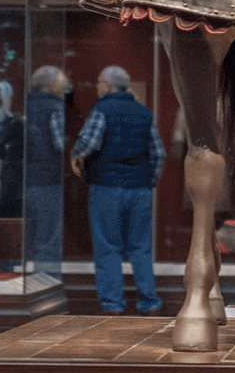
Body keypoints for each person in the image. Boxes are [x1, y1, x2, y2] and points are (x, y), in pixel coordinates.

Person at [70, 66, 165, 316]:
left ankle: (113, 304)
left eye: (100, 82)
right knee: (140, 247)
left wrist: (75, 155)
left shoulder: (102, 108)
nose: (97, 86)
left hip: (106, 186)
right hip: (140, 188)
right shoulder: (145, 113)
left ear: (109, 86)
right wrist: (148, 180)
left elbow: (89, 143)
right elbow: (158, 154)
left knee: (108, 247)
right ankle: (149, 301)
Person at [23, 66, 70, 272]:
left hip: (22, 181)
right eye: (63, 86)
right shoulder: (55, 109)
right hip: (48, 181)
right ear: (52, 86)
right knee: (48, 242)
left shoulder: (23, 107)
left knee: (22, 243)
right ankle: (45, 287)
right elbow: (62, 146)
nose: (65, 91)